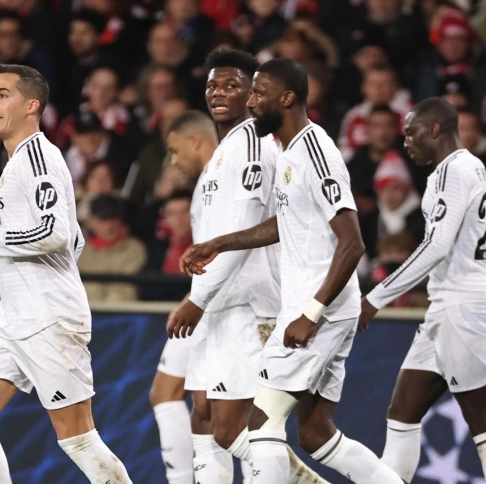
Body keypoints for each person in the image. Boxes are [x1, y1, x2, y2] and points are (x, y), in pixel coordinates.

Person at [182, 58, 403, 484]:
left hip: (315, 311)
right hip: (315, 308)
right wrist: (219, 243)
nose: (250, 101)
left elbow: (352, 242)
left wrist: (312, 313)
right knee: (317, 435)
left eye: (258, 93)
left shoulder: (316, 152)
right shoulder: (290, 151)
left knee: (259, 427)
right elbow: (286, 223)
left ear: (286, 98)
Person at [0, 64, 131, 483]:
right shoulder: (16, 161)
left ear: (32, 105)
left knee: (78, 439)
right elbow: (76, 241)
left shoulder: (38, 157)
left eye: (1, 94)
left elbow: (56, 233)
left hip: (49, 320)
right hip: (14, 319)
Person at [170, 49, 328, 484]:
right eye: (212, 85)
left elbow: (242, 230)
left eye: (233, 86)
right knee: (203, 418)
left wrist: (196, 300)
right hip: (221, 304)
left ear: (254, 96)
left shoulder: (254, 148)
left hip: (247, 305)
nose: (219, 93)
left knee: (234, 429)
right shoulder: (227, 151)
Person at [358, 97, 486, 484]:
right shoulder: (468, 169)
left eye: (411, 132)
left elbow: (437, 245)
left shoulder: (454, 170)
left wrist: (375, 297)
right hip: (450, 302)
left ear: (435, 128)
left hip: (462, 306)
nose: (406, 141)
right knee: (401, 414)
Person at [151, 109, 216, 484]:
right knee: (169, 394)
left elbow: (229, 249)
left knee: (214, 413)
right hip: (206, 299)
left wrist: (197, 301)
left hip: (221, 305)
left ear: (195, 141)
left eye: (175, 151)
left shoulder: (221, 178)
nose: (174, 161)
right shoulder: (207, 181)